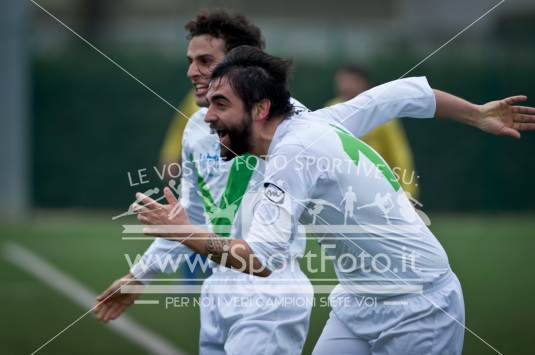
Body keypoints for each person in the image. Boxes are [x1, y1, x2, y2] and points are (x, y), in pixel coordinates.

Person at [132, 46, 535, 355]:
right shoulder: (318, 120)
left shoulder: (293, 153)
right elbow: (402, 94)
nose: (207, 117)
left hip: (421, 307)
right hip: (355, 303)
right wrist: (476, 115)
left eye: (221, 105)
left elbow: (261, 260)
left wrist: (184, 231)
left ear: (260, 109)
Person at [327, 65, 419, 197]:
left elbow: (399, 155)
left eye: (350, 81)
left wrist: (408, 192)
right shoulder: (331, 108)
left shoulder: (381, 113)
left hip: (378, 187)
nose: (344, 86)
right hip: (342, 188)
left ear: (364, 84)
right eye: (341, 81)